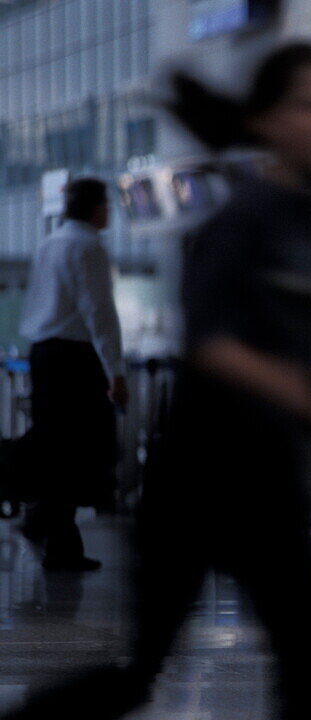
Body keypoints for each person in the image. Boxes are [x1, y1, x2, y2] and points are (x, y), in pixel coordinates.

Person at [2, 42, 311, 720]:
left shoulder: (307, 221)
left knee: (310, 683)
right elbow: (215, 347)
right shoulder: (243, 218)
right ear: (269, 119)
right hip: (197, 483)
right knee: (140, 677)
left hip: (267, 483)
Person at [18, 177, 127, 572]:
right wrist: (115, 370)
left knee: (55, 447)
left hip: (44, 354)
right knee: (84, 448)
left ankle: (54, 534)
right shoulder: (89, 247)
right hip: (74, 359)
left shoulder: (50, 243)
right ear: (97, 208)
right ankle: (44, 523)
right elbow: (99, 311)